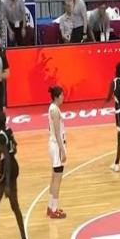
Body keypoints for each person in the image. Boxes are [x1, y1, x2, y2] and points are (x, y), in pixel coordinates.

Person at [47, 86, 67, 219]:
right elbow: (58, 134)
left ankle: (50, 207)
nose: (63, 97)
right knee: (57, 180)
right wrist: (63, 151)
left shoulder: (53, 108)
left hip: (54, 145)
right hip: (56, 146)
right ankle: (54, 209)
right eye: (62, 95)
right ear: (56, 97)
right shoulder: (54, 110)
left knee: (54, 177)